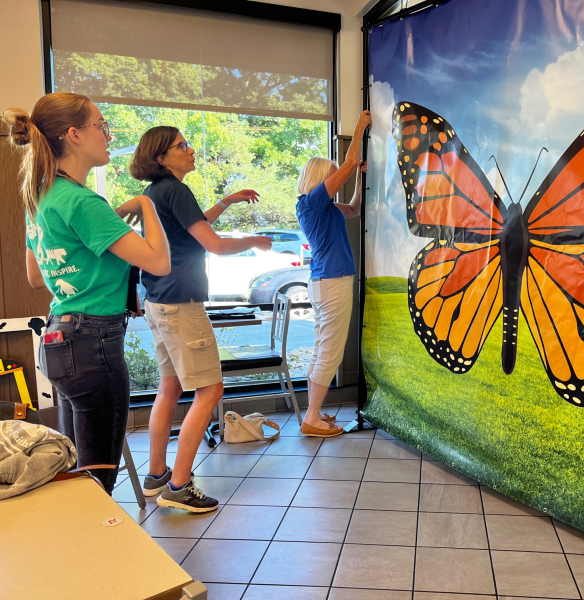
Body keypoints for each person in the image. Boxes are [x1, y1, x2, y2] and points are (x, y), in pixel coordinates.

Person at [2, 93, 170, 495]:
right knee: (98, 480)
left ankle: (77, 551)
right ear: (74, 135)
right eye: (102, 125)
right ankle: (93, 554)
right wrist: (148, 205)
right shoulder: (82, 200)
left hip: (60, 341)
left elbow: (35, 276)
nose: (108, 135)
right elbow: (159, 262)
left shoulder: (41, 197)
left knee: (77, 473)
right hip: (93, 343)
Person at [129, 126, 272, 512]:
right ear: (162, 157)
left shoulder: (155, 193)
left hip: (158, 302)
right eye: (182, 146)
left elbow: (191, 227)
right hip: (181, 304)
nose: (190, 150)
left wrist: (226, 201)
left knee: (169, 388)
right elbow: (213, 243)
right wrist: (255, 241)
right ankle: (179, 485)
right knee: (210, 390)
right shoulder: (174, 189)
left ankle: (157, 475)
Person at [296, 110, 371, 438]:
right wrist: (360, 127)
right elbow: (350, 161)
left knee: (322, 348)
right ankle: (311, 418)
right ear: (318, 179)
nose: (334, 181)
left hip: (326, 281)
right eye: (331, 177)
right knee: (331, 352)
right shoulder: (312, 202)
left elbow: (353, 209)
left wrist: (358, 177)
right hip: (332, 281)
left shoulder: (320, 208)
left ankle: (313, 413)